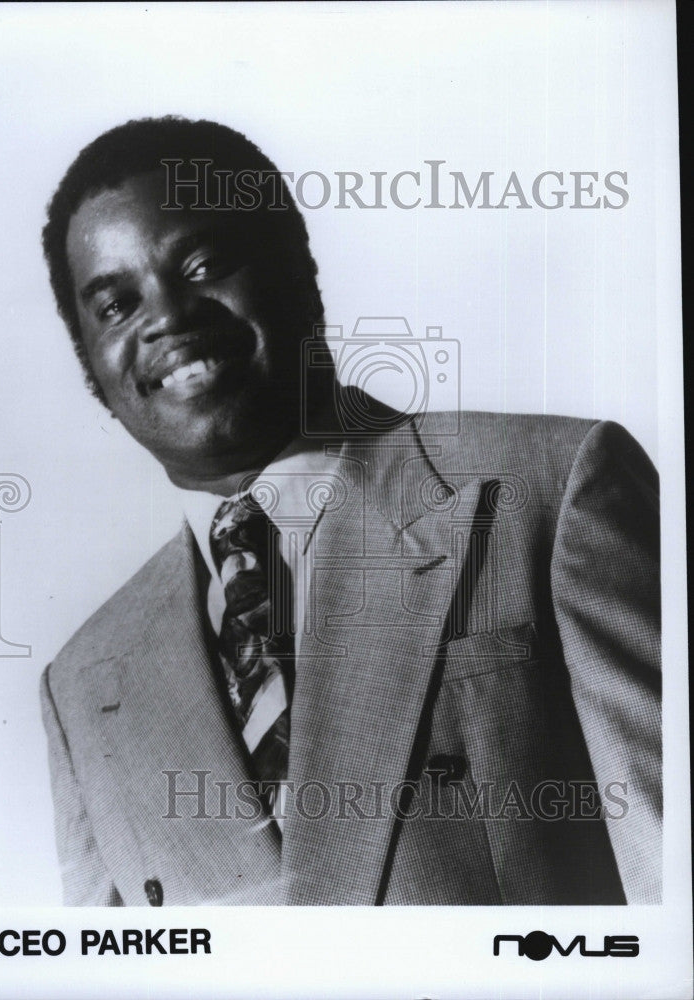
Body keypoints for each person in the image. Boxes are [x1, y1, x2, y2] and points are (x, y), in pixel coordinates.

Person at [39, 116, 661, 907]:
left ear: (299, 270)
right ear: (89, 361)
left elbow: (675, 904)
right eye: (116, 305)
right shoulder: (84, 683)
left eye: (202, 263)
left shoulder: (547, 491)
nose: (167, 316)